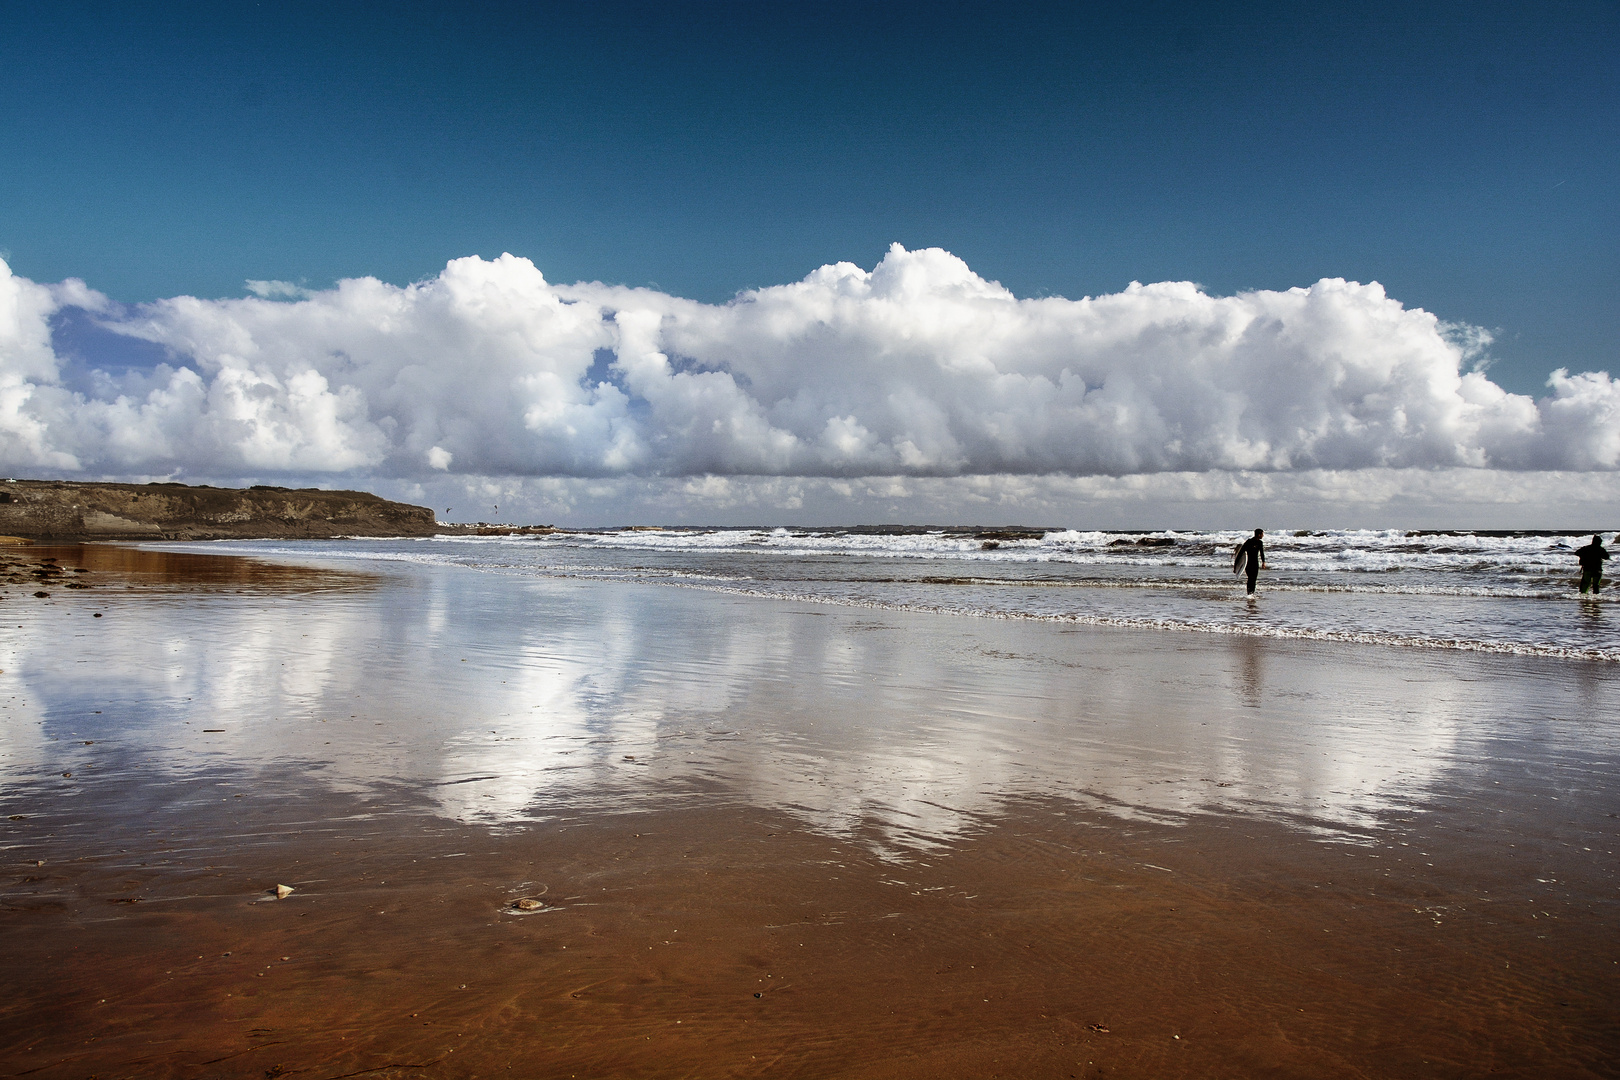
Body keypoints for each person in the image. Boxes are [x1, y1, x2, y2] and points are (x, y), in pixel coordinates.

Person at [1234, 528, 1267, 595]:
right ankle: (1249, 593)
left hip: (1255, 563)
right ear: (1259, 534)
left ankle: (1251, 594)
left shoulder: (1260, 543)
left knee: (1253, 579)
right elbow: (1240, 553)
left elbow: (1261, 553)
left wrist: (1263, 562)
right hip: (1248, 563)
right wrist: (1236, 567)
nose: (1263, 536)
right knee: (1250, 579)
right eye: (1262, 534)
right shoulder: (1249, 542)